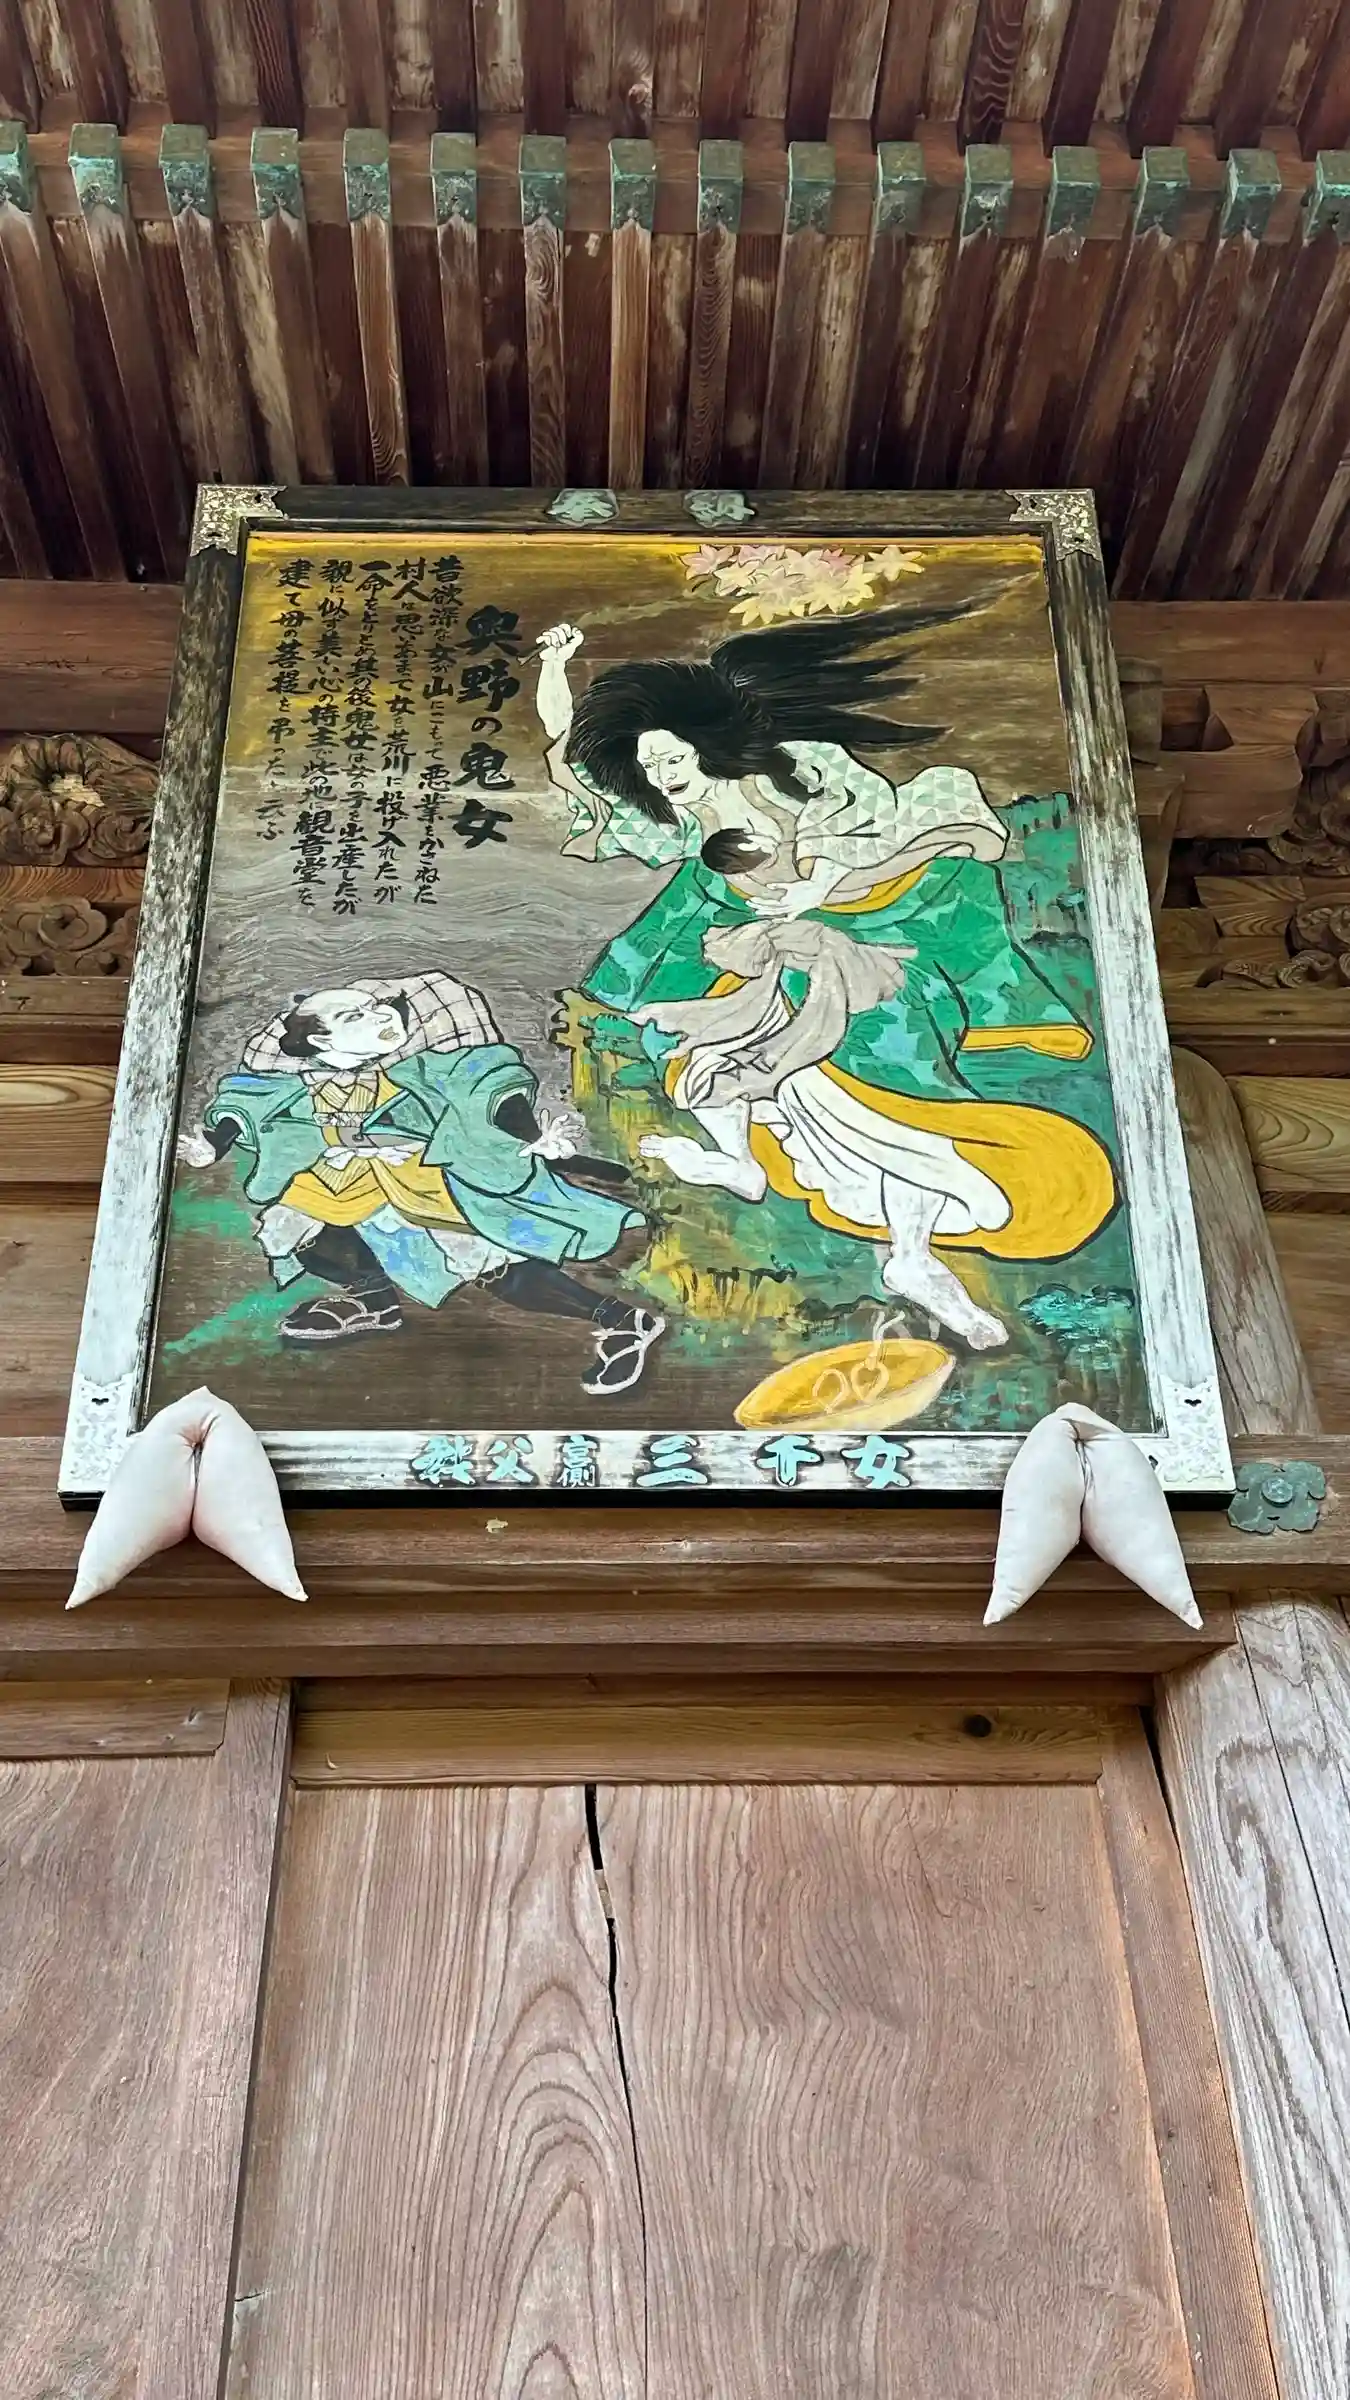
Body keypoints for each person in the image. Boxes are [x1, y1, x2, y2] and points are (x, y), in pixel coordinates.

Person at [532, 611, 1117, 1352]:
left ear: (703, 742)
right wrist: (553, 667)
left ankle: (906, 1246)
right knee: (708, 1052)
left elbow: (907, 845)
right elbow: (567, 754)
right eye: (649, 767)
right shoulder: (675, 824)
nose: (662, 776)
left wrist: (825, 888)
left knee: (879, 1088)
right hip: (764, 963)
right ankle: (765, 1174)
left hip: (869, 943)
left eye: (670, 757)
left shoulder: (801, 775)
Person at [176, 971, 665, 1395]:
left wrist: (532, 1135)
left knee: (488, 1262)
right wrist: (212, 1145)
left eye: (378, 1007)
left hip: (424, 1177)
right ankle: (373, 1302)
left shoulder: (427, 1067)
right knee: (293, 1228)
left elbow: (487, 1084)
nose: (381, 1018)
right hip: (345, 1178)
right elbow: (247, 1105)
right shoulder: (295, 1081)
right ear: (321, 1041)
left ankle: (622, 1320)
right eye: (355, 1017)